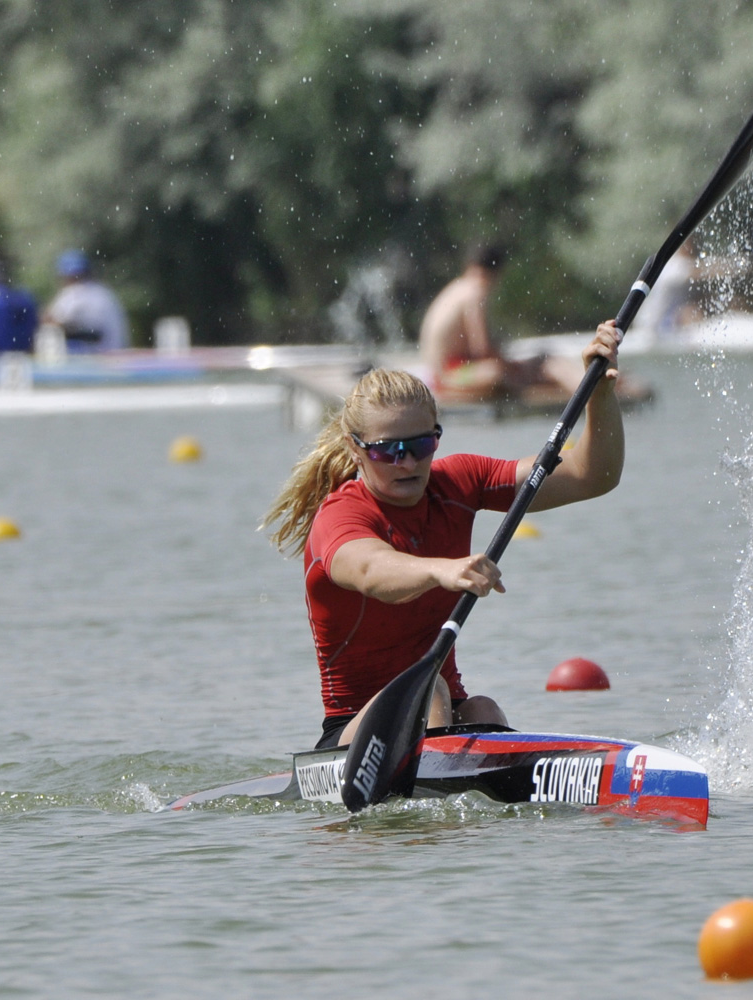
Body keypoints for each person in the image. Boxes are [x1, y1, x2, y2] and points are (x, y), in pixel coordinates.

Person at [264, 321, 627, 750]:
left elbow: (592, 476)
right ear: (355, 448)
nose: (407, 463)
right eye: (387, 451)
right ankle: (438, 804)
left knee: (483, 709)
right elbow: (369, 570)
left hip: (441, 713)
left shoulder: (458, 481)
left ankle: (473, 801)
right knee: (429, 690)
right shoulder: (340, 515)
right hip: (353, 740)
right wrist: (443, 570)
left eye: (420, 445)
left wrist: (599, 392)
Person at [419, 245, 647, 405]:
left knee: (538, 363)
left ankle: (590, 384)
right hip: (451, 377)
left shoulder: (458, 287)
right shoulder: (475, 292)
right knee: (540, 363)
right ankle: (597, 390)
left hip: (450, 373)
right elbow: (483, 350)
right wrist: (516, 368)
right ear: (496, 272)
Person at [44, 249, 129, 352]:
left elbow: (51, 320)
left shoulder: (76, 292)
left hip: (98, 358)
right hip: (116, 355)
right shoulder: (105, 293)